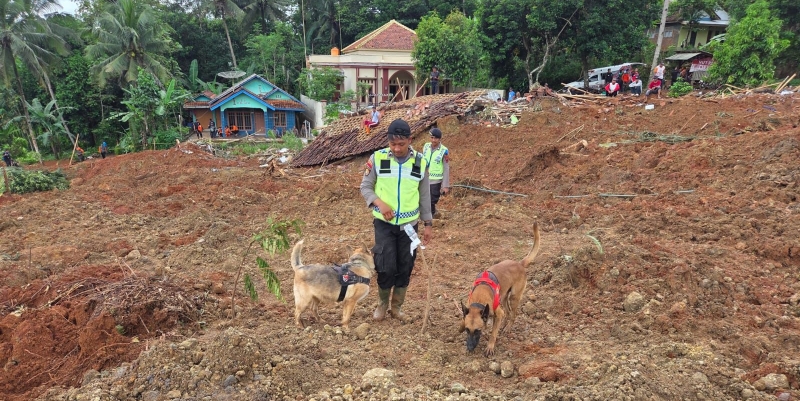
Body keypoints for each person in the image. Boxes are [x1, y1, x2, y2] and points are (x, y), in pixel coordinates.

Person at [360, 118, 432, 322]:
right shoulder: (377, 158)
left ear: (410, 140)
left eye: (401, 144)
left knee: (405, 265)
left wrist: (428, 223)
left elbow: (424, 195)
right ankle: (382, 304)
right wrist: (379, 203)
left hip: (409, 226)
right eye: (393, 144)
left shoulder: (420, 162)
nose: (397, 148)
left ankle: (397, 307)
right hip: (384, 224)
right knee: (385, 264)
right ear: (388, 141)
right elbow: (365, 187)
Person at [422, 128, 450, 218]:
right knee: (425, 198)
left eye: (436, 138)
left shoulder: (444, 150)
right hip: (425, 178)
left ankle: (432, 215)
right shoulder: (426, 146)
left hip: (435, 180)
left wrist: (445, 185)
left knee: (432, 199)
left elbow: (446, 167)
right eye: (432, 138)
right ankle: (431, 215)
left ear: (439, 139)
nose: (433, 140)